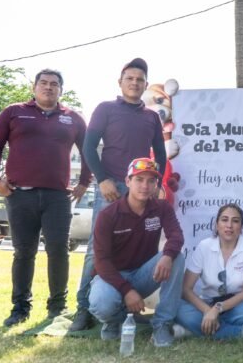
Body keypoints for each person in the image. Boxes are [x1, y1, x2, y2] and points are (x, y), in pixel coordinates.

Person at [0, 69, 92, 327]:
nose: (48, 87)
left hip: (58, 197)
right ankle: (20, 308)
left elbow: (88, 151)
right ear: (34, 88)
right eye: (43, 83)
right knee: (23, 252)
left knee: (58, 251)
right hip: (20, 195)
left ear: (60, 90)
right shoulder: (14, 112)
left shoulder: (73, 118)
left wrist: (84, 182)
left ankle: (57, 307)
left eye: (54, 84)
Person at [70, 57, 167, 331]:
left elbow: (159, 153)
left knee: (139, 247)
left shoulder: (151, 117)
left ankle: (124, 304)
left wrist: (157, 184)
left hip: (142, 189)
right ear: (120, 82)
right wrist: (102, 180)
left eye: (139, 80)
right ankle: (84, 309)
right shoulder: (105, 109)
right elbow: (89, 148)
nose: (134, 83)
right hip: (111, 189)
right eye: (130, 78)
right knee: (95, 250)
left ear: (145, 85)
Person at [88, 157, 184, 347]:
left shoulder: (161, 207)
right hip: (112, 277)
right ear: (127, 181)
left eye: (151, 181)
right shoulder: (108, 215)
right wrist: (127, 290)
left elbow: (176, 236)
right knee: (101, 304)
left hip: (142, 274)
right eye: (139, 179)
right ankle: (113, 321)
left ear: (156, 184)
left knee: (176, 258)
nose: (145, 186)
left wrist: (167, 255)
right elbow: (102, 262)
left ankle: (162, 324)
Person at [174, 204, 243, 340]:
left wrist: (217, 309)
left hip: (239, 306)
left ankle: (196, 330)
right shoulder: (204, 246)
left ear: (241, 227)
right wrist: (208, 311)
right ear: (216, 225)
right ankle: (241, 334)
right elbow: (185, 289)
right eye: (224, 219)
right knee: (177, 307)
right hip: (207, 305)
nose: (229, 225)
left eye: (235, 221)